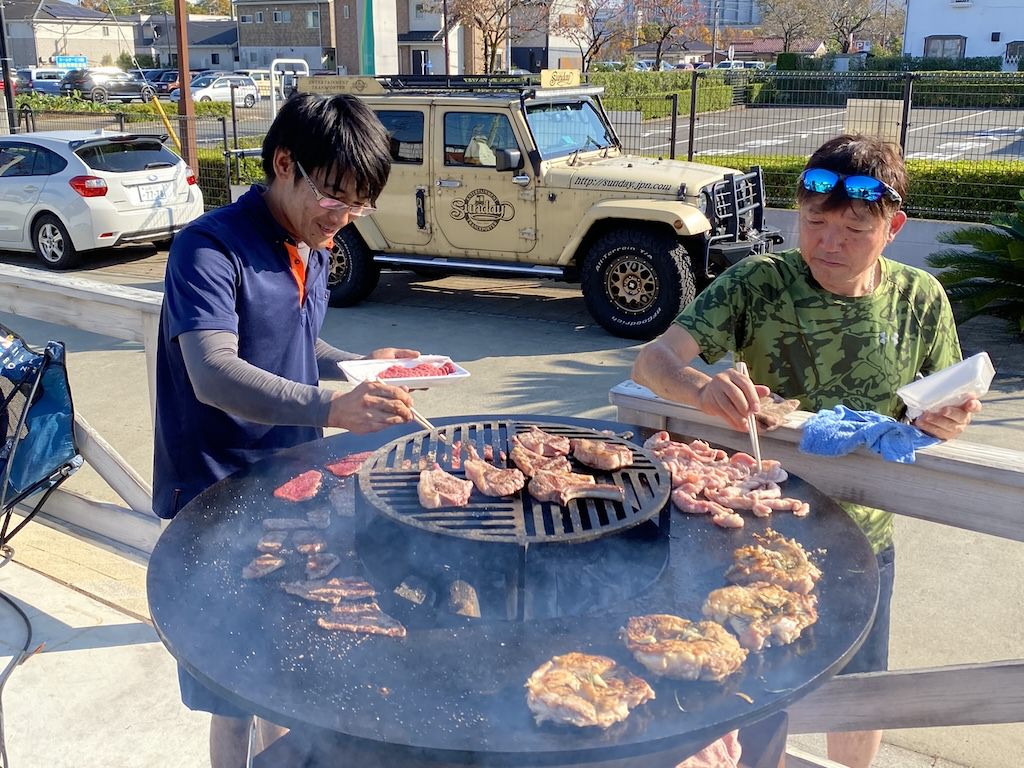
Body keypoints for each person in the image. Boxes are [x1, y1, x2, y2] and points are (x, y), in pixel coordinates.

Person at [632, 134, 982, 768]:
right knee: (753, 680)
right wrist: (701, 387)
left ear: (893, 226)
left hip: (863, 535)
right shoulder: (760, 282)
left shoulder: (920, 299)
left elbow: (939, 407)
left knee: (861, 686)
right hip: (751, 533)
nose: (827, 243)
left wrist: (947, 420)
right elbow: (653, 360)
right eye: (815, 223)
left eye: (852, 229)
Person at [152, 92, 420, 768]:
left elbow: (296, 339)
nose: (345, 218)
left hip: (289, 487)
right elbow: (214, 371)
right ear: (283, 164)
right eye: (335, 198)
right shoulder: (209, 249)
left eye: (359, 204)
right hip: (214, 501)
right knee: (230, 687)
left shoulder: (313, 243)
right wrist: (332, 409)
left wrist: (360, 365)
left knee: (285, 666)